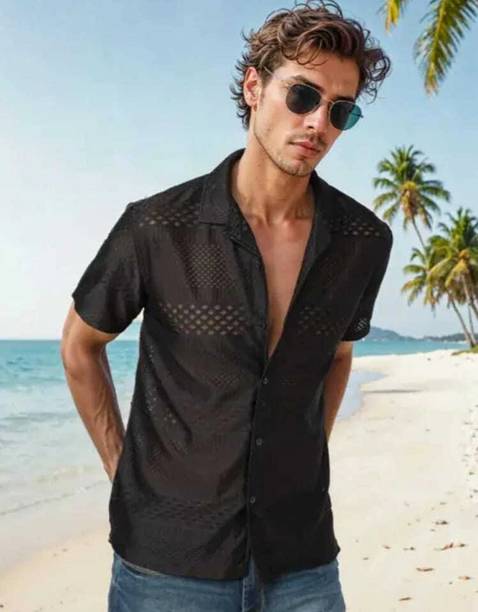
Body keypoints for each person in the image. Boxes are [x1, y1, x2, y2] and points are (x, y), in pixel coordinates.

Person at [61, 1, 393, 610]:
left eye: (340, 110)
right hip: (166, 565)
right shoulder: (157, 226)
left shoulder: (362, 240)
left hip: (302, 558)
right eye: (303, 95)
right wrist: (122, 473)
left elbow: (338, 355)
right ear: (254, 87)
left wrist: (299, 457)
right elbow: (81, 344)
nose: (318, 123)